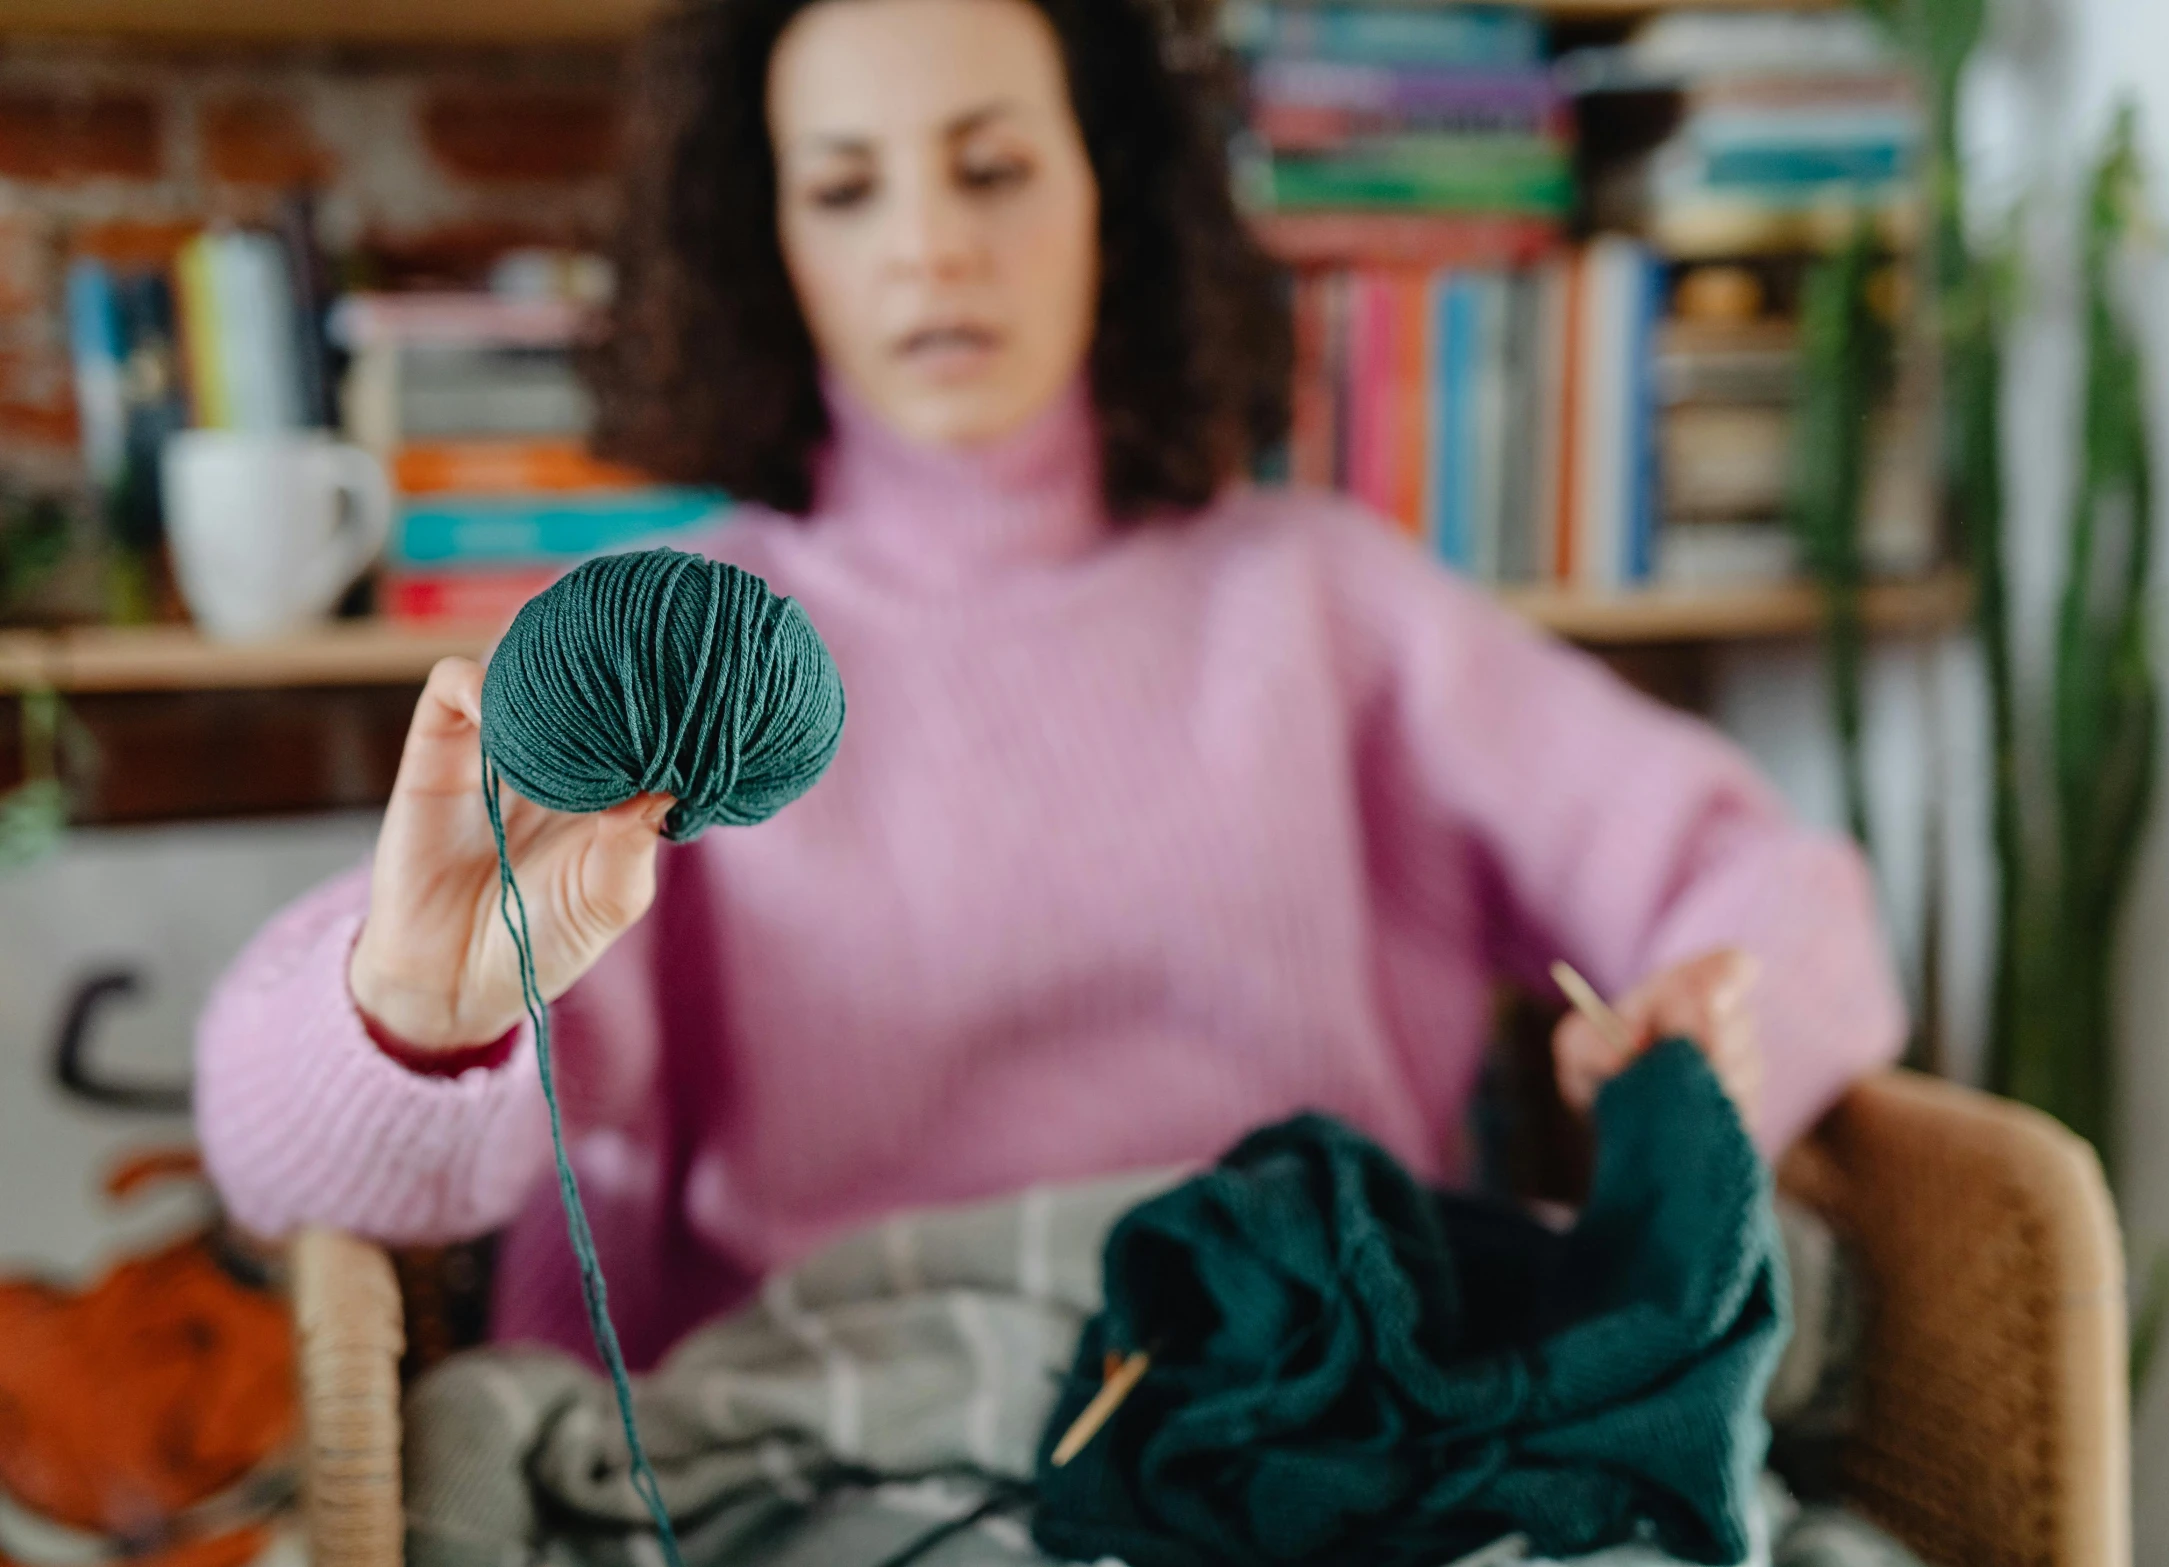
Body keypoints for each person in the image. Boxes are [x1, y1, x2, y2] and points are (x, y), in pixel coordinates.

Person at [195, 0, 1903, 1368]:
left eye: (993, 168)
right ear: (763, 238)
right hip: (835, 1412)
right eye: (847, 186)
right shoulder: (676, 650)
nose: (928, 245)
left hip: (1328, 1378)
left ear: (1111, 191)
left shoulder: (1319, 598)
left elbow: (1782, 895)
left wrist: (1708, 1029)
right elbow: (289, 1156)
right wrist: (412, 1020)